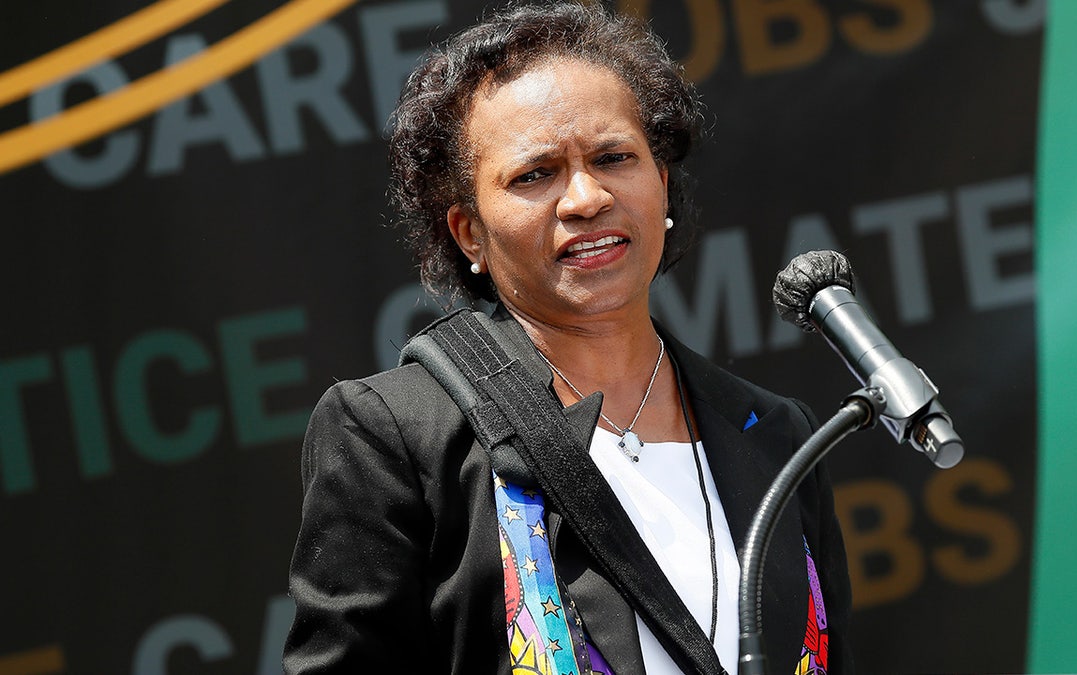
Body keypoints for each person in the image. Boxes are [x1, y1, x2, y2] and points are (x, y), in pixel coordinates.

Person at [284, 2, 852, 673]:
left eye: (614, 157)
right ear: (469, 232)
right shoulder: (395, 434)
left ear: (662, 185)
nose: (586, 197)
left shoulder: (777, 436)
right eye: (534, 174)